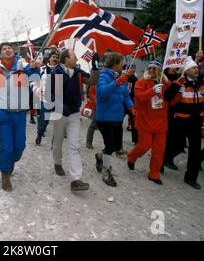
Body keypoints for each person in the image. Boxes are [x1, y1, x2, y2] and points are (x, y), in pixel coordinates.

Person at [0, 42, 38, 191]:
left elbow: (34, 79)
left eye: (9, 48)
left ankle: (12, 161)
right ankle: (5, 174)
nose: (8, 50)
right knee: (6, 145)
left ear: (13, 52)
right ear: (0, 54)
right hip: (4, 112)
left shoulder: (23, 65)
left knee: (20, 145)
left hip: (20, 113)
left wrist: (34, 69)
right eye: (4, 49)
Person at [49, 48, 99, 191]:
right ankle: (57, 163)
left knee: (74, 145)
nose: (77, 59)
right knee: (58, 140)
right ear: (66, 59)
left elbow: (92, 80)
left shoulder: (77, 72)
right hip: (60, 113)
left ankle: (76, 179)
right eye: (74, 57)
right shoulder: (55, 73)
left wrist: (95, 67)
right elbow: (50, 95)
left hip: (74, 113)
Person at [163, 56, 204, 189]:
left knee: (195, 151)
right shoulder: (179, 82)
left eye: (196, 67)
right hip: (181, 120)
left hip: (196, 121)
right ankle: (164, 159)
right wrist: (178, 85)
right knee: (176, 145)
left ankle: (191, 178)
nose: (196, 69)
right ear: (186, 71)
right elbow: (168, 97)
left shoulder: (203, 81)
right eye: (193, 68)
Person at [126, 60, 171, 184]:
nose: (151, 70)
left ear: (160, 70)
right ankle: (132, 156)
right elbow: (139, 99)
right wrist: (152, 91)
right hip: (145, 121)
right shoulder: (141, 82)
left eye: (155, 68)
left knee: (159, 150)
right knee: (144, 146)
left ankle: (154, 173)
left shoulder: (165, 83)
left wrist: (177, 89)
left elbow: (173, 100)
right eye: (150, 68)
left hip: (161, 123)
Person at [95, 52, 135, 187]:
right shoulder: (103, 76)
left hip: (117, 117)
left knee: (117, 146)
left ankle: (101, 156)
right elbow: (102, 93)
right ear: (116, 63)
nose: (123, 64)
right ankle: (106, 172)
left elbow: (125, 96)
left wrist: (131, 107)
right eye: (122, 61)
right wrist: (117, 82)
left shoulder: (121, 76)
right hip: (105, 117)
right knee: (111, 145)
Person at [35, 48, 60, 145]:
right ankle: (39, 134)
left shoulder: (61, 69)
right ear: (49, 58)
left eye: (57, 57)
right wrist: (37, 90)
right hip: (45, 98)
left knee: (59, 121)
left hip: (58, 98)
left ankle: (56, 142)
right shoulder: (42, 69)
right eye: (53, 57)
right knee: (44, 120)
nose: (55, 58)